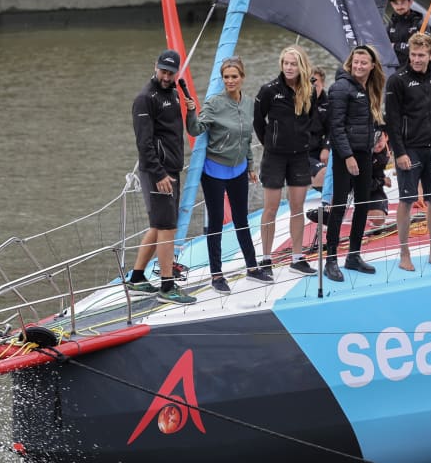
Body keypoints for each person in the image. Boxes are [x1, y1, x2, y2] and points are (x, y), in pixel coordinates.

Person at [126, 49, 197, 305]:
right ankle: (167, 287)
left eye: (171, 72)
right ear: (155, 66)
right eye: (163, 71)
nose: (166, 76)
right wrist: (159, 174)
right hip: (158, 173)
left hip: (171, 169)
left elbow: (180, 130)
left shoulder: (174, 94)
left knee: (159, 225)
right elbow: (143, 143)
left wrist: (189, 110)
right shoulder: (145, 98)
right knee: (168, 227)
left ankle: (136, 278)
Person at [183, 57, 259, 295]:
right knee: (216, 222)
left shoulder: (248, 103)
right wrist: (191, 112)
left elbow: (247, 137)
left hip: (238, 169)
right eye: (226, 77)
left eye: (234, 76)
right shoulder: (214, 103)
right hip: (214, 170)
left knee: (241, 219)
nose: (230, 81)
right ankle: (217, 274)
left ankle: (253, 267)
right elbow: (195, 129)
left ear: (242, 78)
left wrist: (251, 165)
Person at [385, 33, 431, 273]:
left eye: (421, 55)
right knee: (407, 201)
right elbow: (391, 121)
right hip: (409, 150)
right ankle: (404, 252)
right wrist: (399, 152)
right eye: (413, 55)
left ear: (430, 55)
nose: (416, 59)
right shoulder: (397, 80)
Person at [253, 45, 320, 279]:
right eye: (286, 63)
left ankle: (297, 258)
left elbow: (311, 120)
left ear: (301, 66)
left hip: (300, 157)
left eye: (293, 64)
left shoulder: (309, 91)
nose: (289, 68)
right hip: (274, 157)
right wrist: (270, 143)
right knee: (270, 208)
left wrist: (303, 140)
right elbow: (258, 121)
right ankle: (266, 260)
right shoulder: (269, 90)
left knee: (296, 208)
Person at [323, 44, 385, 281]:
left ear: (371, 65)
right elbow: (335, 127)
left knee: (363, 204)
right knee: (338, 206)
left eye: (363, 62)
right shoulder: (340, 87)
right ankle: (331, 261)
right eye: (356, 62)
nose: (359, 66)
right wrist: (348, 156)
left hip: (364, 153)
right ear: (351, 63)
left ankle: (353, 256)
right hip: (344, 155)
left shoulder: (368, 87)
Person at [386, 0, 423, 77]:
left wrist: (395, 46)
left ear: (410, 2)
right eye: (395, 3)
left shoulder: (419, 23)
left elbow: (420, 48)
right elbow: (384, 48)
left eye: (403, 2)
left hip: (415, 71)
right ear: (391, 4)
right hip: (394, 72)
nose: (399, 6)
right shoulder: (390, 25)